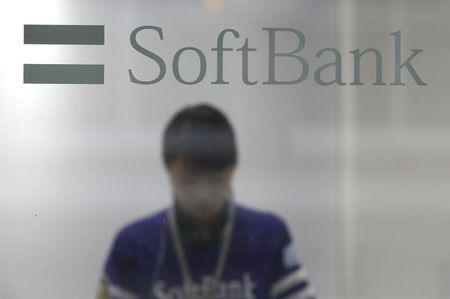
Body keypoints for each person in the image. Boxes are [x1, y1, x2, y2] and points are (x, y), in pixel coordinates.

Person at [96, 103, 316, 299]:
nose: (203, 195)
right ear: (167, 165)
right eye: (189, 180)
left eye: (216, 180)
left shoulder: (268, 235)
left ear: (234, 165)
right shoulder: (135, 244)